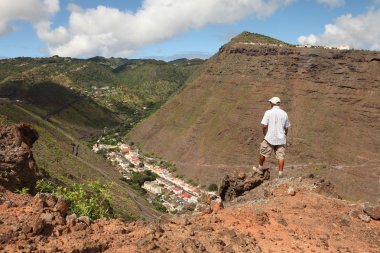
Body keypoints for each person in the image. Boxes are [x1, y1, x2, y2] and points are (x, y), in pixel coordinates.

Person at [253, 97, 290, 178]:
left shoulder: (268, 112)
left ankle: (260, 168)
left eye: (270, 103)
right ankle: (280, 173)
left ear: (273, 103)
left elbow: (264, 125)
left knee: (263, 152)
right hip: (281, 139)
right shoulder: (284, 113)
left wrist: (265, 134)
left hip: (269, 137)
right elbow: (286, 128)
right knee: (281, 156)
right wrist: (284, 136)